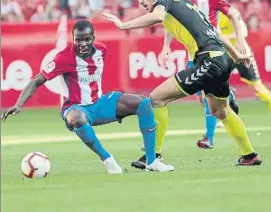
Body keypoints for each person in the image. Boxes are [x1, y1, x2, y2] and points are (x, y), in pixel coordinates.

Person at [103, 0, 262, 168]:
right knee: (221, 111)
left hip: (208, 61)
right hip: (221, 59)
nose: (141, 0)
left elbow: (158, 16)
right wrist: (235, 54)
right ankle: (250, 155)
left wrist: (124, 25)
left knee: (156, 98)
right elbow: (215, 32)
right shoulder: (184, 5)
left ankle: (154, 156)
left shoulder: (164, 1)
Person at [0, 20, 175, 174]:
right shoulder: (63, 58)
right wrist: (18, 104)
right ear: (73, 38)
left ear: (93, 37)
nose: (82, 43)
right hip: (76, 108)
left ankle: (152, 161)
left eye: (86, 39)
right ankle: (107, 160)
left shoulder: (101, 50)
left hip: (99, 103)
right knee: (76, 117)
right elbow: (37, 80)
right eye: (78, 39)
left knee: (144, 104)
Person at [182, 0, 271, 149]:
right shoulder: (207, 12)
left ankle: (228, 99)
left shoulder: (228, 11)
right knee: (205, 92)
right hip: (222, 54)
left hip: (240, 52)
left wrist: (232, 43)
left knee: (259, 89)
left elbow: (242, 31)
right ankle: (226, 97)